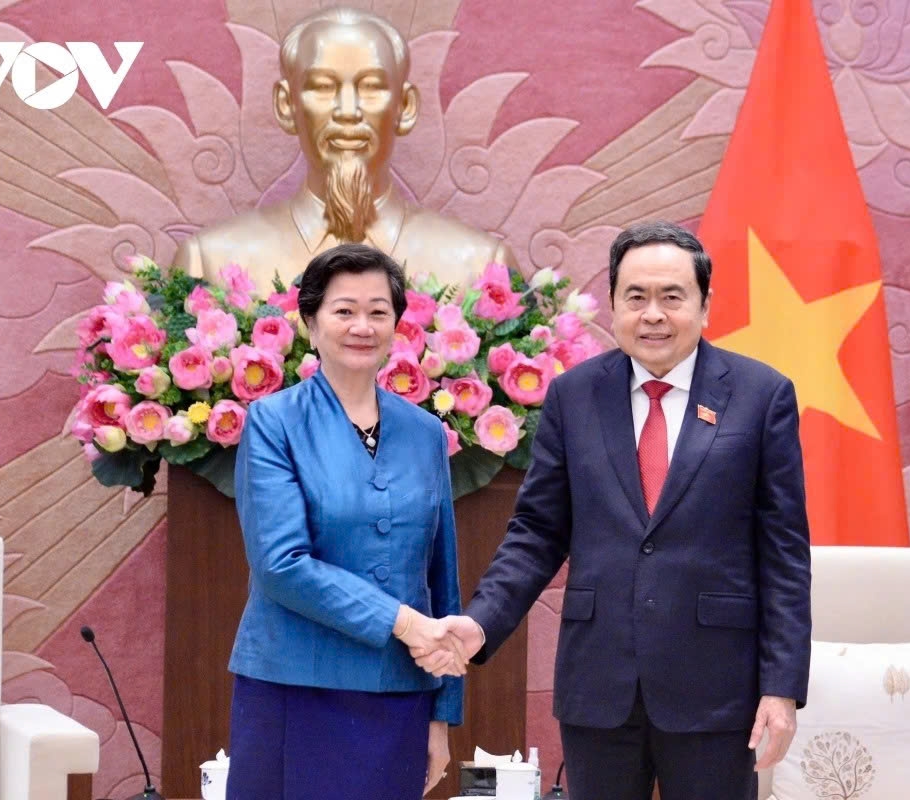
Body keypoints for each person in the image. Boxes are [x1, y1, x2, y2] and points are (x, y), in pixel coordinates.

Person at [424, 221, 812, 800]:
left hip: (716, 689)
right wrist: (481, 622)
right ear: (612, 306)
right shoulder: (573, 396)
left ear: (705, 305)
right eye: (635, 297)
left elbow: (783, 554)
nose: (652, 313)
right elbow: (536, 533)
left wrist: (781, 689)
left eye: (671, 297)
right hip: (599, 684)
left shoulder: (761, 396)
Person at [227, 242, 466, 800]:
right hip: (294, 688)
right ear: (311, 322)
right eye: (344, 311)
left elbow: (442, 574)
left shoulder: (425, 431)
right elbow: (281, 565)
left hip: (399, 693)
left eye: (378, 312)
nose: (363, 326)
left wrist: (442, 715)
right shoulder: (272, 422)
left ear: (397, 325)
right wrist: (404, 624)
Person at [173, 7, 515, 296]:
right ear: (286, 105)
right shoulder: (208, 263)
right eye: (323, 87)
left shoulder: (481, 267)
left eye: (371, 87)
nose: (348, 110)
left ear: (406, 107)